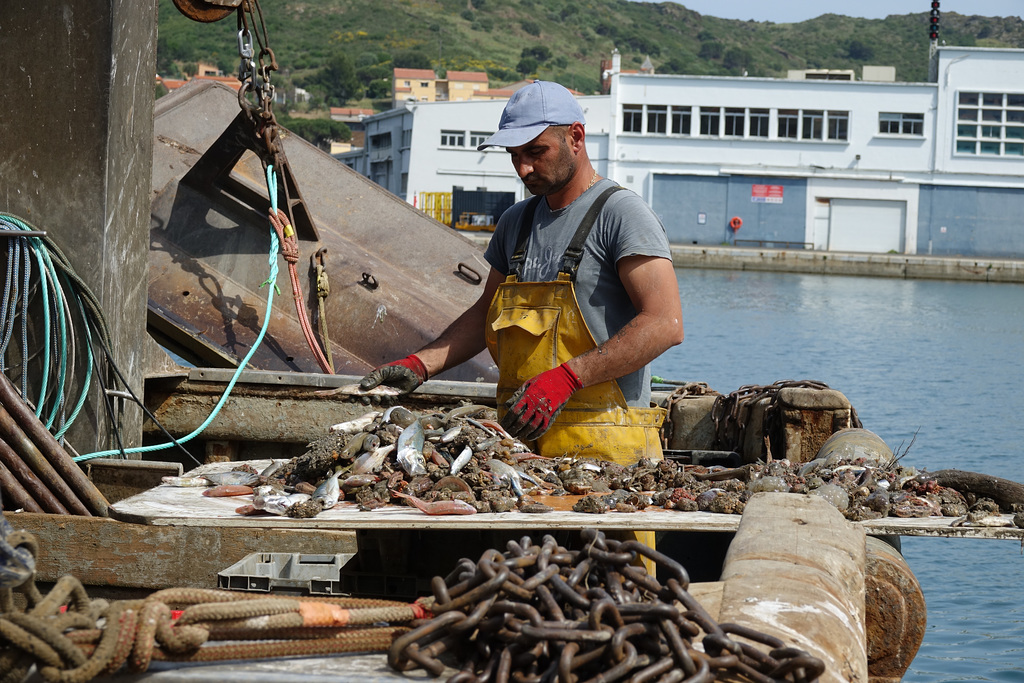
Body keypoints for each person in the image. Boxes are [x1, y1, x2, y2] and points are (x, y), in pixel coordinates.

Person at [360, 80, 683, 464]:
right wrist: (419, 365)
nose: (523, 168)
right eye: (514, 155)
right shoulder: (516, 222)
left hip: (608, 448)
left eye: (536, 151)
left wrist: (568, 378)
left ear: (575, 137)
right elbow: (486, 313)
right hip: (521, 448)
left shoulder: (621, 214)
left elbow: (665, 322)